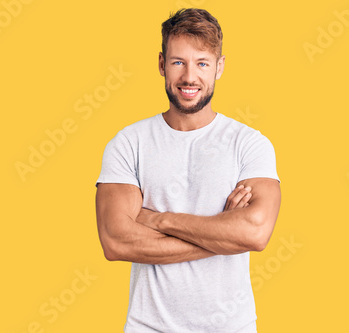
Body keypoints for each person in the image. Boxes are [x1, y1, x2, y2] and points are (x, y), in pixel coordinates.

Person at [95, 8, 281, 332]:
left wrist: (158, 219)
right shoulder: (128, 143)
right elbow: (116, 241)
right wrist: (223, 233)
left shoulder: (250, 144)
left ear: (219, 67)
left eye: (202, 63)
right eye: (178, 62)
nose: (189, 77)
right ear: (161, 64)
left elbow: (254, 233)